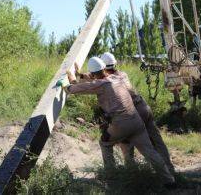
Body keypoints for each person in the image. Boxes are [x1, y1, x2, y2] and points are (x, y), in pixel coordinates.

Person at [59, 57, 175, 187]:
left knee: (104, 143)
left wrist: (67, 84)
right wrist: (81, 75)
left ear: (92, 73)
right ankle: (169, 180)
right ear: (105, 69)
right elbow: (97, 80)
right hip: (137, 121)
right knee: (150, 151)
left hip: (121, 123)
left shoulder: (100, 85)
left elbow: (76, 89)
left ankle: (111, 177)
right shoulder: (118, 77)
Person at [99, 52, 175, 173]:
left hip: (132, 113)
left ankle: (130, 172)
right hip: (144, 108)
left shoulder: (108, 81)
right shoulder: (123, 74)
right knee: (156, 140)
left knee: (126, 142)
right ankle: (170, 170)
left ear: (103, 68)